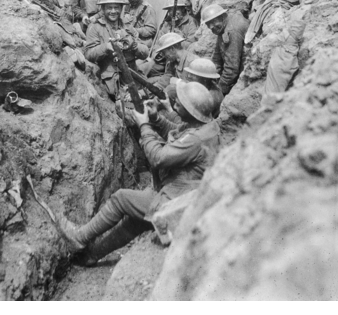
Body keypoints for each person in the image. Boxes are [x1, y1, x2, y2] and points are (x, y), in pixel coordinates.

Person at [57, 80, 220, 266]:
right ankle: (91, 255)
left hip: (177, 202)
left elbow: (158, 158)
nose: (174, 103)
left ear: (191, 111)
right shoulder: (206, 127)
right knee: (135, 222)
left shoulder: (196, 139)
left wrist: (144, 126)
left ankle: (78, 238)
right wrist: (156, 119)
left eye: (179, 103)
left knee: (121, 199)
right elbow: (178, 133)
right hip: (184, 193)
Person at [84, 0, 148, 98]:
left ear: (121, 9)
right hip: (111, 79)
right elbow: (88, 55)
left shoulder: (128, 26)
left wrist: (135, 45)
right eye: (109, 8)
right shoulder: (95, 27)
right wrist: (106, 47)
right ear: (103, 9)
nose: (113, 11)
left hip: (132, 75)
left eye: (116, 8)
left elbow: (145, 53)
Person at [201, 4, 249, 96]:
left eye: (213, 22)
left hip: (244, 71)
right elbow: (217, 56)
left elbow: (231, 69)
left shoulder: (232, 31)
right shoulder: (224, 24)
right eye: (208, 24)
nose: (211, 27)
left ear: (222, 16)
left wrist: (219, 90)